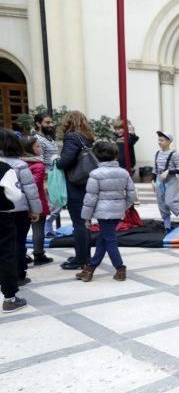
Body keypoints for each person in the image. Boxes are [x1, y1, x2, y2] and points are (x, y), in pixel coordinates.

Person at [76, 141, 136, 282]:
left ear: (97, 156)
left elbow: (90, 198)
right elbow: (132, 195)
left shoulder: (95, 174)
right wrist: (123, 207)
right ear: (116, 155)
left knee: (110, 240)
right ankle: (89, 269)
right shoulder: (124, 172)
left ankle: (120, 269)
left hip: (103, 214)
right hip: (117, 212)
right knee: (103, 240)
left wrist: (86, 218)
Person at [0, 130, 42, 286]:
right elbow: (30, 190)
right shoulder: (20, 165)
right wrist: (36, 210)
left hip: (2, 210)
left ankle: (4, 275)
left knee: (4, 244)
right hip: (19, 210)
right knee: (19, 242)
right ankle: (19, 274)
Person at [56, 111, 95, 270]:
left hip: (75, 183)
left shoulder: (72, 137)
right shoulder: (87, 137)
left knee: (79, 223)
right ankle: (85, 256)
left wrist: (57, 162)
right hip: (86, 183)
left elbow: (65, 161)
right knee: (85, 222)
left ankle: (80, 259)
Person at [20, 136, 53, 265]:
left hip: (21, 202)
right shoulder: (38, 165)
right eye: (38, 146)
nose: (41, 149)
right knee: (38, 229)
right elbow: (33, 183)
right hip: (36, 201)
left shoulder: (19, 163)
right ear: (29, 149)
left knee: (22, 230)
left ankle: (22, 254)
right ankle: (39, 254)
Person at [0, 159, 27, 312]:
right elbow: (15, 195)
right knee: (6, 255)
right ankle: (10, 298)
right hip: (2, 216)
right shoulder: (4, 168)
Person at [153, 131, 179, 233]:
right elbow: (155, 168)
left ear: (169, 141)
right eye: (159, 140)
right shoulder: (157, 153)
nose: (159, 142)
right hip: (159, 180)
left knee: (170, 202)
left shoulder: (174, 154)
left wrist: (169, 171)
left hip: (170, 180)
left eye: (162, 140)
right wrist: (153, 180)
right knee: (162, 204)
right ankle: (167, 227)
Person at [34, 112, 61, 238]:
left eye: (51, 122)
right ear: (38, 124)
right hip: (46, 176)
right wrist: (44, 181)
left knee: (58, 202)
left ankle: (48, 225)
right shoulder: (38, 140)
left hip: (55, 175)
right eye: (47, 122)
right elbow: (40, 160)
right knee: (51, 204)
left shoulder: (50, 139)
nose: (51, 125)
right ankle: (46, 227)